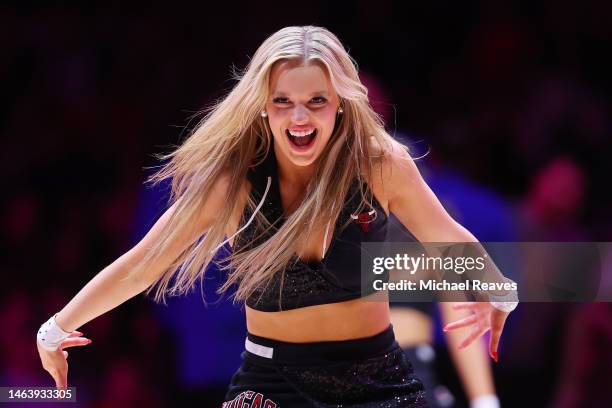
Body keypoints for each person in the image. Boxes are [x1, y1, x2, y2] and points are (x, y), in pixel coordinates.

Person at [36, 26, 517, 407]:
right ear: (263, 108)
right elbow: (146, 262)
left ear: (342, 106)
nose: (299, 118)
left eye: (316, 101)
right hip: (271, 383)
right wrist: (55, 329)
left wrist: (500, 290)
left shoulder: (379, 163)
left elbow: (446, 238)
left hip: (378, 382)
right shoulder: (234, 179)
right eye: (283, 101)